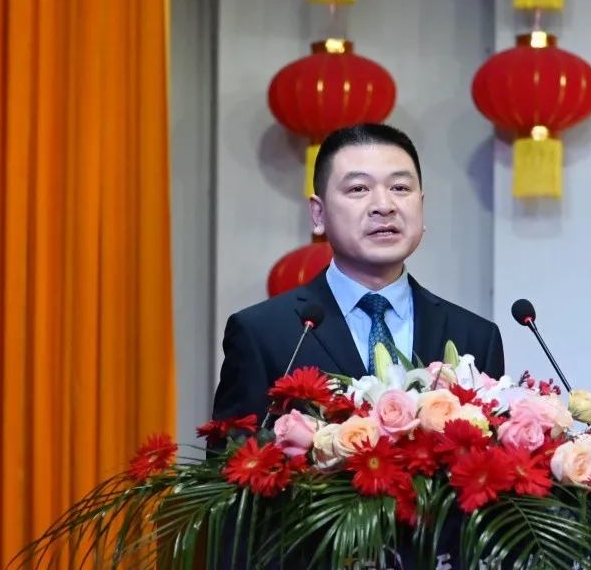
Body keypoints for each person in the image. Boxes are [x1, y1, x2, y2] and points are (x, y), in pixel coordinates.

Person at [211, 122, 506, 430]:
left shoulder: (475, 338)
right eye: (358, 189)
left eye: (400, 188)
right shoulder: (263, 334)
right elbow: (232, 455)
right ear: (318, 214)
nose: (384, 206)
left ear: (421, 206)